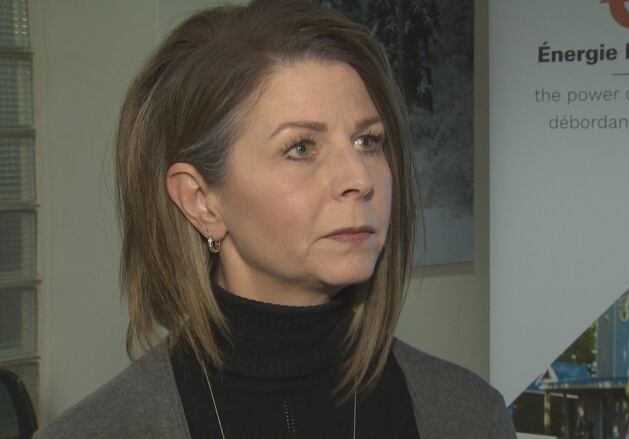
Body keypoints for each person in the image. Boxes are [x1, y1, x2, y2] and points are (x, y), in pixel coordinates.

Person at [34, 1, 515, 438]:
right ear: (201, 201)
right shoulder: (100, 430)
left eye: (368, 141)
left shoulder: (467, 416)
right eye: (301, 148)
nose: (359, 178)